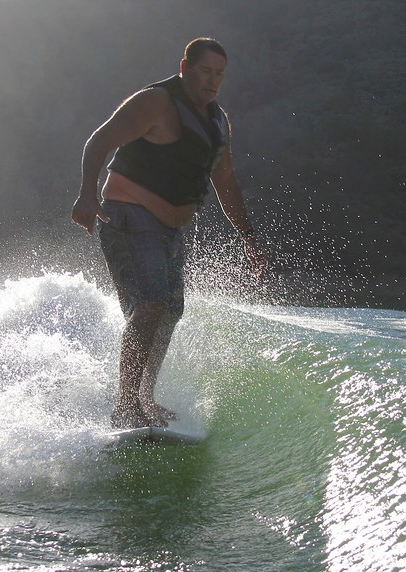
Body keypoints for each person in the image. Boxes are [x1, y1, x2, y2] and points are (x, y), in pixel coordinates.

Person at [72, 37, 266, 428]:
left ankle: (145, 398)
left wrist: (248, 237)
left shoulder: (217, 122)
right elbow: (99, 141)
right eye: (205, 71)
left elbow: (226, 184)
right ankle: (126, 403)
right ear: (185, 68)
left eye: (220, 75)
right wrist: (86, 195)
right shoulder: (155, 102)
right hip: (128, 215)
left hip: (172, 229)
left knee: (170, 312)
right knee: (151, 306)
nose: (212, 81)